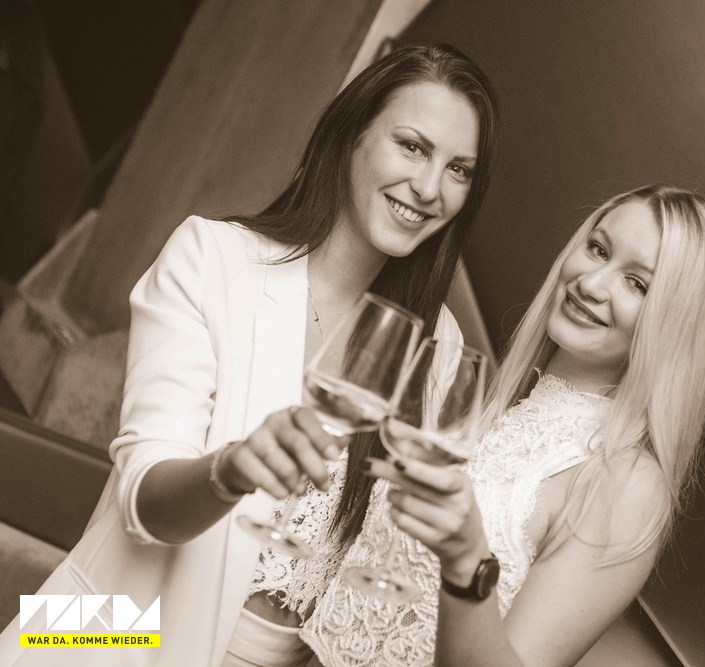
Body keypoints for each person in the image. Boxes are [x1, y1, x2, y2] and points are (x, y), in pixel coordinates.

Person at [0, 42, 499, 667]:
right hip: (117, 626)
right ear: (353, 135)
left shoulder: (439, 342)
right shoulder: (211, 257)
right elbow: (142, 503)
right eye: (412, 146)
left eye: (459, 170)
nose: (429, 187)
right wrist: (232, 469)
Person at [299, 183, 705, 666]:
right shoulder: (497, 411)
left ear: (677, 325)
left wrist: (467, 565)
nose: (592, 284)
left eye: (637, 283)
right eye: (598, 249)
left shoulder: (628, 482)